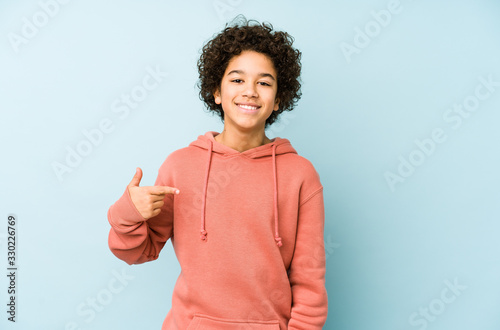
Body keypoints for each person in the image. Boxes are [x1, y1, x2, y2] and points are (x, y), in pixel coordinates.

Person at [107, 15, 328, 329]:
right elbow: (137, 253)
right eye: (237, 80)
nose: (250, 91)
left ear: (278, 99)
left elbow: (309, 281)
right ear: (216, 92)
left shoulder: (300, 175)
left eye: (264, 82)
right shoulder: (180, 166)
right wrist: (128, 212)